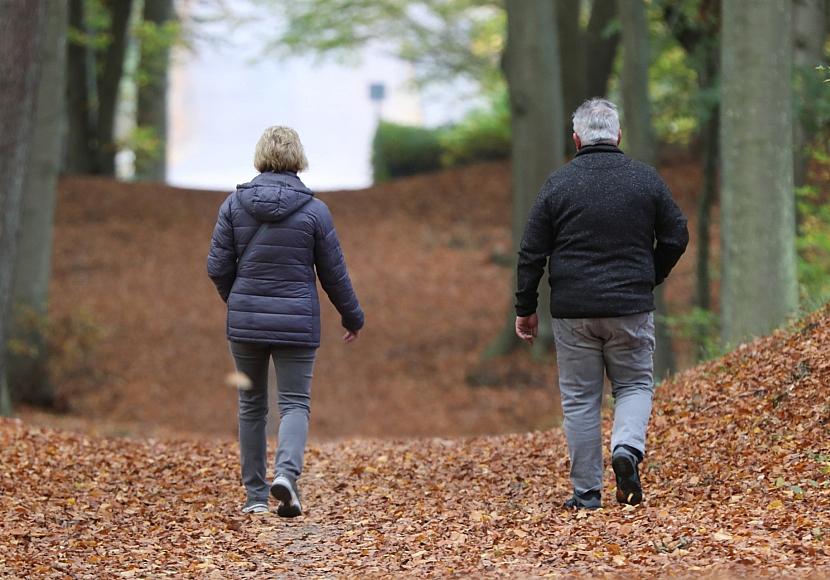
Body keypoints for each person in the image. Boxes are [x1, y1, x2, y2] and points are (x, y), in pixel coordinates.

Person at [514, 98, 688, 509]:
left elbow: (530, 252)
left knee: (580, 399)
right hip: (630, 307)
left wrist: (525, 307)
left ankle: (587, 492)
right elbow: (677, 235)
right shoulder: (645, 179)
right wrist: (651, 275)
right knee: (634, 385)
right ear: (618, 135)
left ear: (576, 139)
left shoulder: (558, 185)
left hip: (574, 312)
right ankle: (626, 447)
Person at [207, 126, 364, 516]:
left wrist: (238, 300)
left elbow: (217, 267)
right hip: (296, 322)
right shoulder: (314, 211)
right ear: (298, 157)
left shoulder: (233, 205)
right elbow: (334, 274)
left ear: (260, 156)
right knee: (294, 402)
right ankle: (287, 476)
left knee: (251, 404)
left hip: (246, 322)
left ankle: (256, 497)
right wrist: (352, 316)